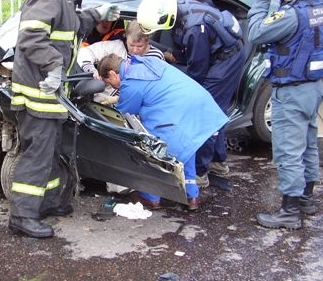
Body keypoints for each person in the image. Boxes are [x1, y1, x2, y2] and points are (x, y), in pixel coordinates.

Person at [8, 0, 120, 238]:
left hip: (50, 96)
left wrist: (96, 15)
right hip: (38, 95)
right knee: (37, 156)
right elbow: (32, 39)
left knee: (52, 153)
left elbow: (69, 25)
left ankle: (50, 202)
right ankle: (22, 216)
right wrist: (54, 66)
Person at [247, 0, 323, 230]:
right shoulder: (320, 6)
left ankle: (289, 212)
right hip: (313, 89)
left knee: (288, 152)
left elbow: (257, 33)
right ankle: (306, 201)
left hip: (292, 93)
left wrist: (261, 0)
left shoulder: (291, 14)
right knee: (308, 147)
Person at [137, 0, 246, 188]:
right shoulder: (180, 12)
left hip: (226, 61)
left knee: (205, 113)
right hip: (218, 54)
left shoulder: (195, 29)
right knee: (215, 110)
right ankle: (217, 160)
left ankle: (200, 171)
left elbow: (197, 71)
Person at [98, 54, 228, 211]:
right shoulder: (145, 63)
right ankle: (191, 195)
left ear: (112, 73)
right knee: (186, 146)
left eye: (109, 83)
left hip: (175, 112)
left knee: (151, 150)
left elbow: (123, 114)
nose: (112, 87)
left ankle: (150, 197)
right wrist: (119, 98)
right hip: (198, 103)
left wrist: (111, 105)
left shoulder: (130, 83)